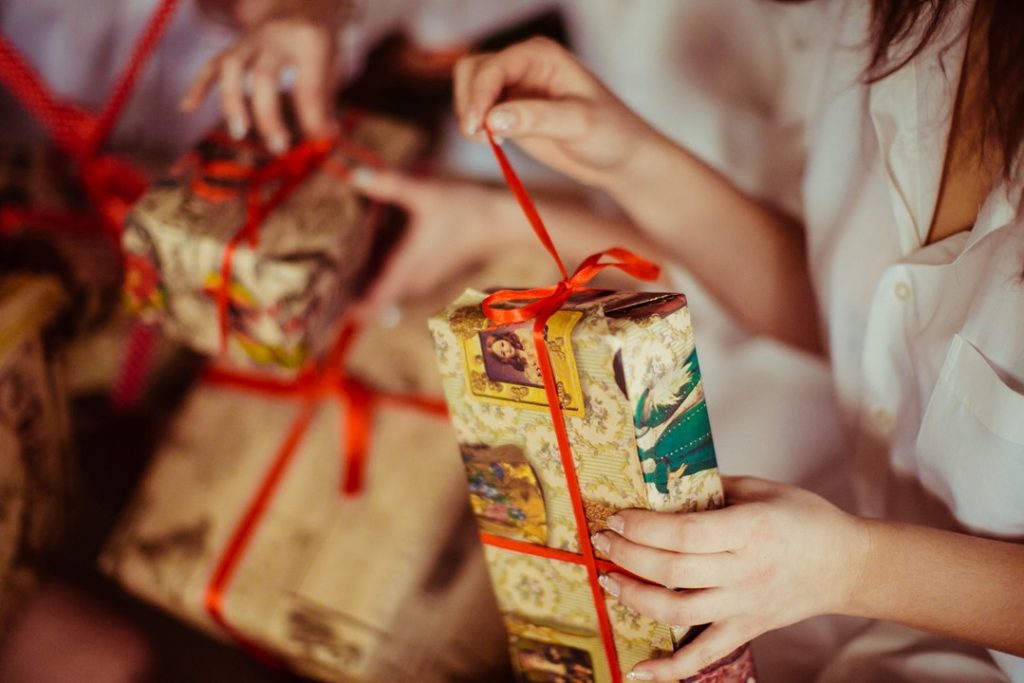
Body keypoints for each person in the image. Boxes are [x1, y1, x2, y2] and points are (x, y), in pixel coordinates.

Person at [450, 1, 1024, 682]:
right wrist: (626, 154)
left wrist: (853, 568)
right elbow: (855, 319)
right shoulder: (898, 19)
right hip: (840, 605)